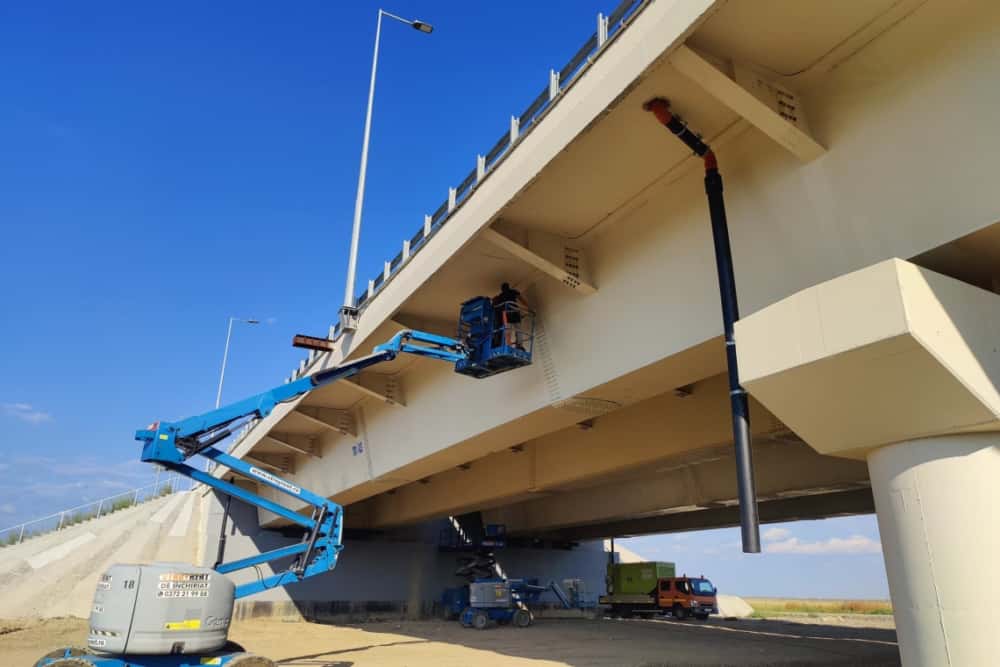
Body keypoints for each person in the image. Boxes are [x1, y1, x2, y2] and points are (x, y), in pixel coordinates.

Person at [491, 283, 526, 348]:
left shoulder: (501, 296)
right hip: (515, 313)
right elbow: (521, 299)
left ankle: (508, 345)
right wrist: (528, 307)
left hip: (507, 315)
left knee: (508, 331)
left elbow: (497, 307)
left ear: (502, 289)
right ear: (508, 287)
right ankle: (519, 345)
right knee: (518, 330)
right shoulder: (513, 292)